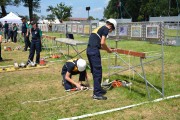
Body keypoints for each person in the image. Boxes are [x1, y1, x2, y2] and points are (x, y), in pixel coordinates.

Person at [86, 18, 117, 100]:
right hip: (94, 52)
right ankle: (96, 94)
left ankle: (98, 88)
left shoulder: (99, 28)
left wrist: (108, 49)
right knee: (98, 72)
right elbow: (102, 43)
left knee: (95, 71)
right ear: (111, 26)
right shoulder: (106, 29)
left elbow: (98, 44)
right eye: (112, 30)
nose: (110, 32)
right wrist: (109, 50)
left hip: (89, 50)